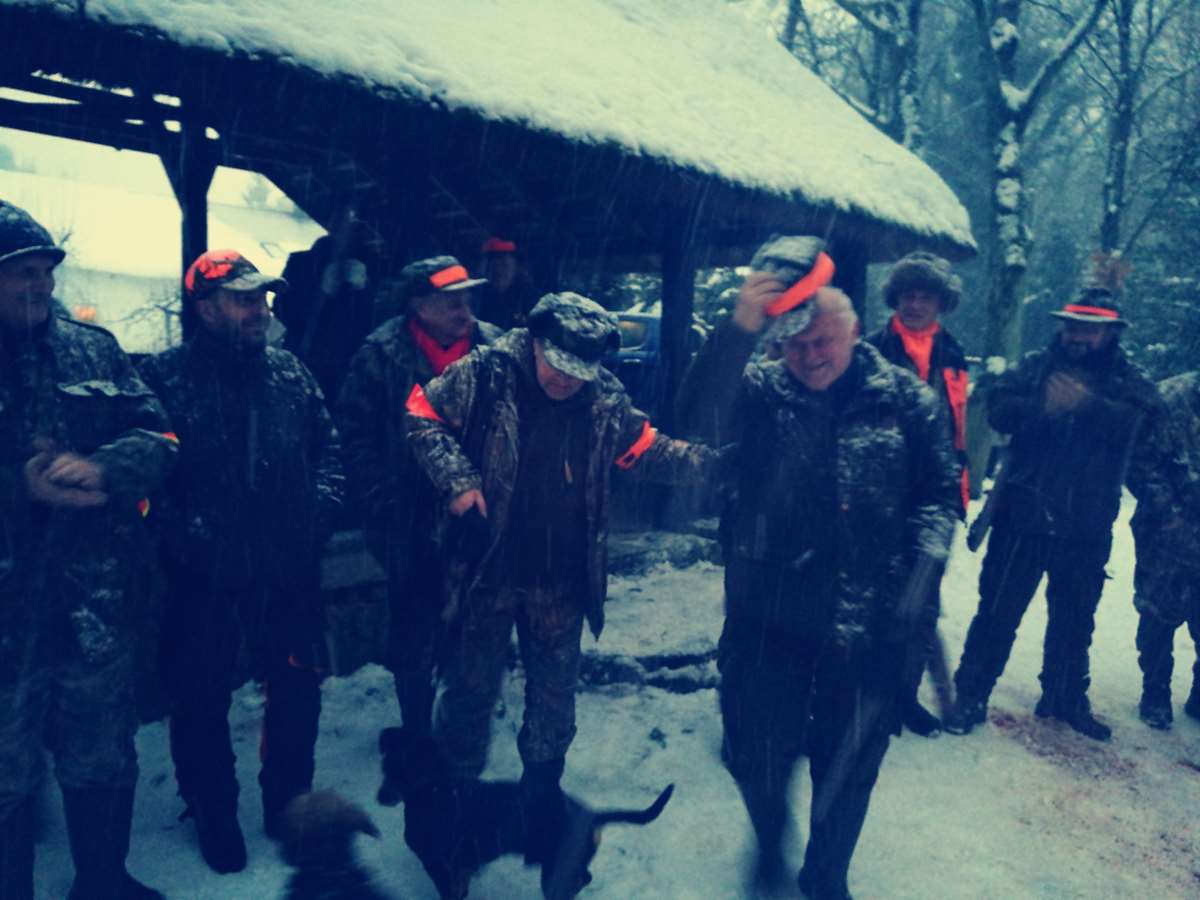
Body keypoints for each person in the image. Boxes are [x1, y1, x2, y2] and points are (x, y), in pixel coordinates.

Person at [676, 236, 960, 900]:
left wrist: (921, 574)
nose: (810, 355)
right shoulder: (759, 393)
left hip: (872, 619)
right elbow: (693, 418)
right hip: (766, 612)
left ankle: (827, 873)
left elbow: (939, 497)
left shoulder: (905, 401)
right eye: (795, 344)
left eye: (823, 341)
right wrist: (740, 328)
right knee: (754, 748)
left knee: (849, 763)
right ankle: (769, 840)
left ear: (854, 332)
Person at [405, 291, 714, 859]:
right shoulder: (486, 373)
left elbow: (645, 450)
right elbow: (422, 415)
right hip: (487, 573)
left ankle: (541, 807)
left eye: (580, 370)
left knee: (553, 704)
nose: (567, 379)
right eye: (559, 365)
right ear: (536, 341)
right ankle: (453, 808)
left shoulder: (604, 398)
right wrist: (458, 481)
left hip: (561, 580)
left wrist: (710, 466)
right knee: (471, 694)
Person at [138, 249, 344, 874]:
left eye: (262, 298)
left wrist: (316, 518)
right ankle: (213, 814)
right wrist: (188, 540)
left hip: (288, 571)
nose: (259, 309)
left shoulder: (290, 373)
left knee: (297, 693)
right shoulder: (164, 380)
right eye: (243, 299)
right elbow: (146, 481)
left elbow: (330, 452)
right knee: (199, 701)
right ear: (205, 308)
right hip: (204, 577)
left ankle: (289, 807)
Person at [0, 201, 177, 900]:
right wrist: (18, 487)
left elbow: (160, 434)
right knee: (5, 770)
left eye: (45, 270)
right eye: (20, 272)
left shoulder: (92, 349)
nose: (39, 284)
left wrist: (107, 469)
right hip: (6, 619)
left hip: (92, 605)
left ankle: (103, 883)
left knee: (102, 754)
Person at [944, 273, 1174, 741]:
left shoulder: (1129, 381)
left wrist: (1085, 404)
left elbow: (1143, 424)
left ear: (1110, 333)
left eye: (1088, 329)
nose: (1077, 336)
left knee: (1075, 621)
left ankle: (1065, 697)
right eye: (1072, 326)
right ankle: (970, 695)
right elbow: (998, 407)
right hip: (1022, 516)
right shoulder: (1034, 367)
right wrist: (1043, 407)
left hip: (1087, 526)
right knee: (997, 613)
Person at [338, 255, 502, 737]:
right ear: (418, 305)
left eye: (466, 299)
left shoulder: (496, 348)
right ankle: (416, 729)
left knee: (475, 626)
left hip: (482, 516)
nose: (464, 310)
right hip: (406, 519)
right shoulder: (380, 354)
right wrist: (384, 502)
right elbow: (353, 435)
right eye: (451, 302)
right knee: (413, 626)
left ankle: (460, 727)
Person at [865, 251, 969, 737]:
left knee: (921, 607)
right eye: (907, 294)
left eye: (925, 295)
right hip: (879, 496)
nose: (915, 303)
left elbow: (958, 429)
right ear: (895, 297)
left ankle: (902, 699)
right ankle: (868, 698)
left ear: (941, 302)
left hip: (935, 499)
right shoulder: (871, 350)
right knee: (872, 601)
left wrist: (958, 491)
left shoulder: (954, 353)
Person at [1130, 371, 1200, 730]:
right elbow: (1139, 462)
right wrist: (1169, 515)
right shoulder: (1169, 399)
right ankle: (1155, 691)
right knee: (1158, 612)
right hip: (1166, 531)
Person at [274, 215, 385, 402]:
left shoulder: (378, 269)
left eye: (358, 225)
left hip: (352, 367)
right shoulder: (302, 263)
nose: (351, 230)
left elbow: (381, 324)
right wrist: (321, 292)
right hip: (306, 357)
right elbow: (282, 310)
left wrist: (365, 290)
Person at [475, 236, 538, 330]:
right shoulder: (478, 297)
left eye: (503, 264)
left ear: (516, 266)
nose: (498, 270)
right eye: (492, 266)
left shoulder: (531, 299)